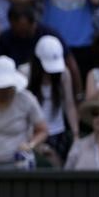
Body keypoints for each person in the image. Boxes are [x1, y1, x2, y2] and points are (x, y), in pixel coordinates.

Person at [0, 3, 82, 98]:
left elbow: (70, 62)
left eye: (25, 31)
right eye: (19, 31)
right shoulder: (5, 38)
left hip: (46, 84)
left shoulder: (50, 36)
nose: (22, 34)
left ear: (33, 23)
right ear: (11, 23)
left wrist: (78, 94)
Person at [24, 36, 79, 166]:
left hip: (58, 133)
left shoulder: (64, 74)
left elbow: (69, 106)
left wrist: (76, 135)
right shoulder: (24, 73)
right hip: (32, 134)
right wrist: (32, 141)